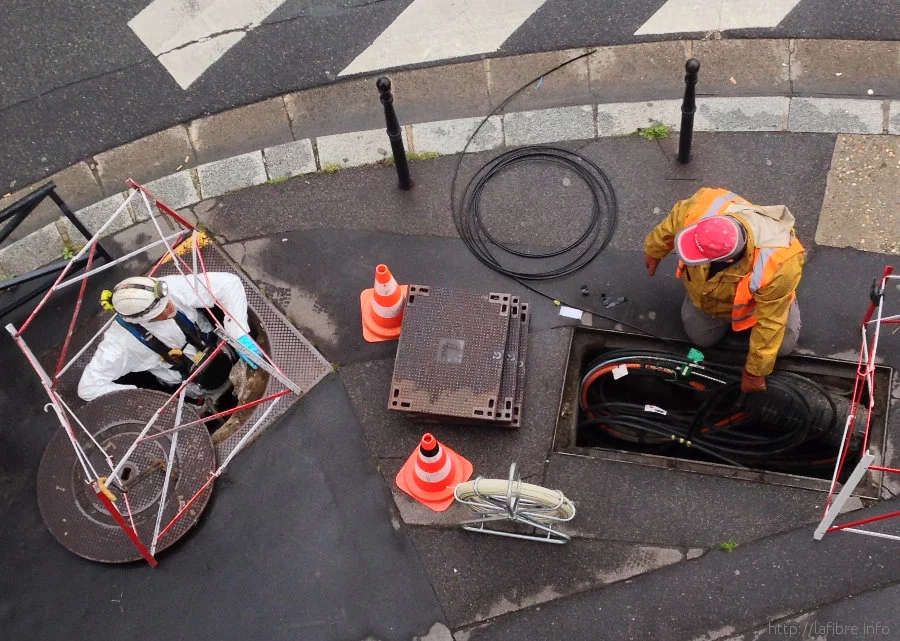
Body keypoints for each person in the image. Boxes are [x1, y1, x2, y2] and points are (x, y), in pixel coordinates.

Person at [643, 187, 805, 393]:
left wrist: (754, 373)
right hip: (706, 300)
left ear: (727, 261)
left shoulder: (780, 264)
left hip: (759, 308)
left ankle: (785, 303)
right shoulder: (703, 204)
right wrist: (654, 250)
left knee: (783, 348)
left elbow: (770, 323)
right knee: (701, 339)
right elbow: (672, 223)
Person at [78, 272, 263, 402]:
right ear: (140, 319)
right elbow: (88, 388)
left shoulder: (166, 288)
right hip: (194, 386)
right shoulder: (120, 343)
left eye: (165, 302)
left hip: (223, 350)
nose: (169, 308)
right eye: (160, 312)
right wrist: (145, 397)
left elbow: (229, 284)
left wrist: (238, 334)